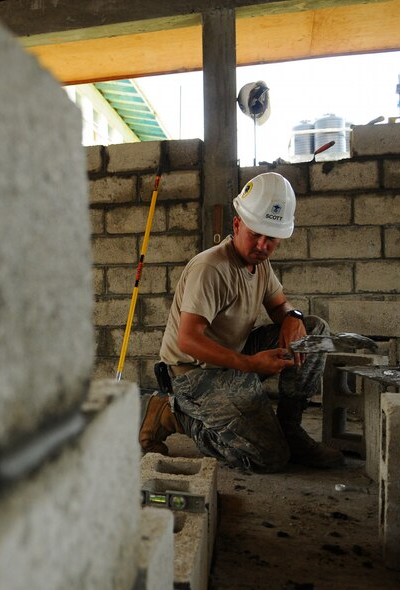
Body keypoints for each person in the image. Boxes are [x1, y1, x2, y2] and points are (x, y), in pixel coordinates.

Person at [139, 172, 343, 472]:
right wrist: (250, 365)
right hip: (194, 373)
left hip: (233, 358)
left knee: (314, 331)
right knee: (268, 458)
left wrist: (292, 316)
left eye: (270, 239)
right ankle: (174, 414)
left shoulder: (259, 263)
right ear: (237, 225)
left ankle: (291, 429)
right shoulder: (211, 268)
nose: (262, 244)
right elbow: (188, 341)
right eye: (255, 233)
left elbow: (279, 303)